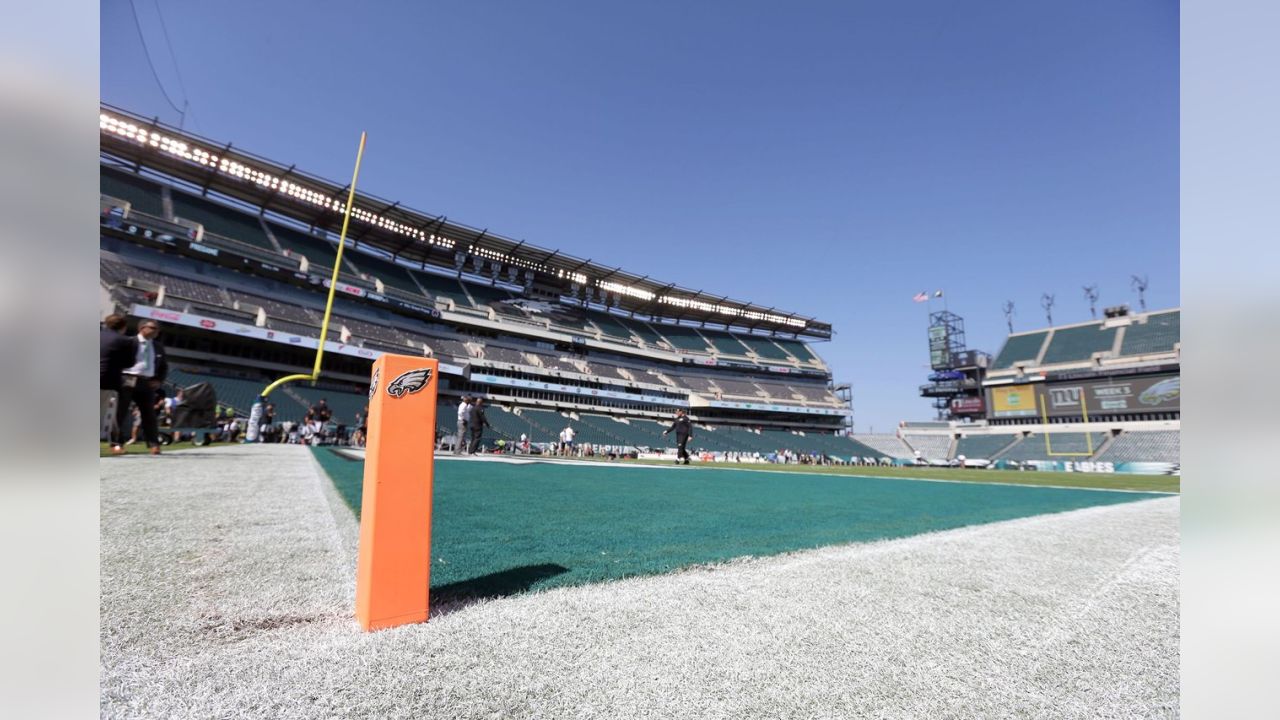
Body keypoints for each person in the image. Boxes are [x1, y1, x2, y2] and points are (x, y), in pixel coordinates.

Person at [117, 319, 168, 455]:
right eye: (153, 328)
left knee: (149, 415)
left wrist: (158, 380)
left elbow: (163, 366)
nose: (156, 331)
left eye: (157, 329)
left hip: (147, 382)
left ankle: (153, 444)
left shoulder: (158, 346)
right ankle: (116, 443)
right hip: (127, 378)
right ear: (142, 328)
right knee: (120, 412)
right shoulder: (129, 342)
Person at [100, 314, 137, 455]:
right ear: (123, 327)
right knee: (111, 414)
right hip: (108, 380)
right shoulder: (125, 341)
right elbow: (130, 363)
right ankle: (115, 444)